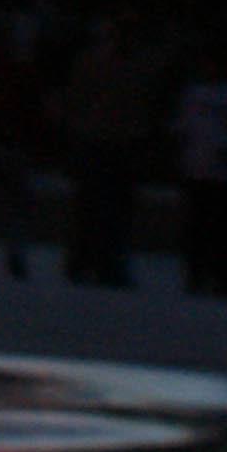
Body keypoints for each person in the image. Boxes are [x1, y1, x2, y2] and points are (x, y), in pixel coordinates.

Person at [56, 24, 151, 288]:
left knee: (107, 208)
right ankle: (90, 263)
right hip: (99, 140)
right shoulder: (102, 64)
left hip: (110, 141)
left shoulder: (126, 65)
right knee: (95, 207)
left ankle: (96, 263)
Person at [173, 54, 227, 299]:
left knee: (223, 230)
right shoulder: (193, 94)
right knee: (196, 228)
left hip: (225, 174)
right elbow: (183, 126)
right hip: (197, 170)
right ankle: (195, 276)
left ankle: (222, 277)